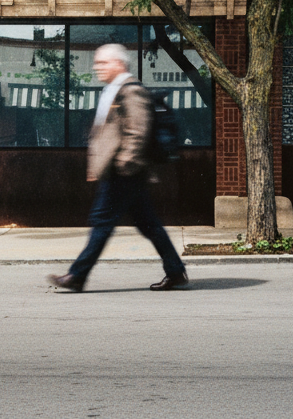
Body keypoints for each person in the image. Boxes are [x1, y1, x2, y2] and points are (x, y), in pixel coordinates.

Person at [48, 43, 189, 292]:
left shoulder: (130, 90)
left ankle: (77, 276)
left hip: (124, 172)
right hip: (124, 172)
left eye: (102, 63)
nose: (97, 67)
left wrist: (124, 164)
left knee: (101, 221)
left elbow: (138, 131)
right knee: (149, 224)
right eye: (97, 63)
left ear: (118, 64)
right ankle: (176, 271)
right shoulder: (114, 90)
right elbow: (107, 133)